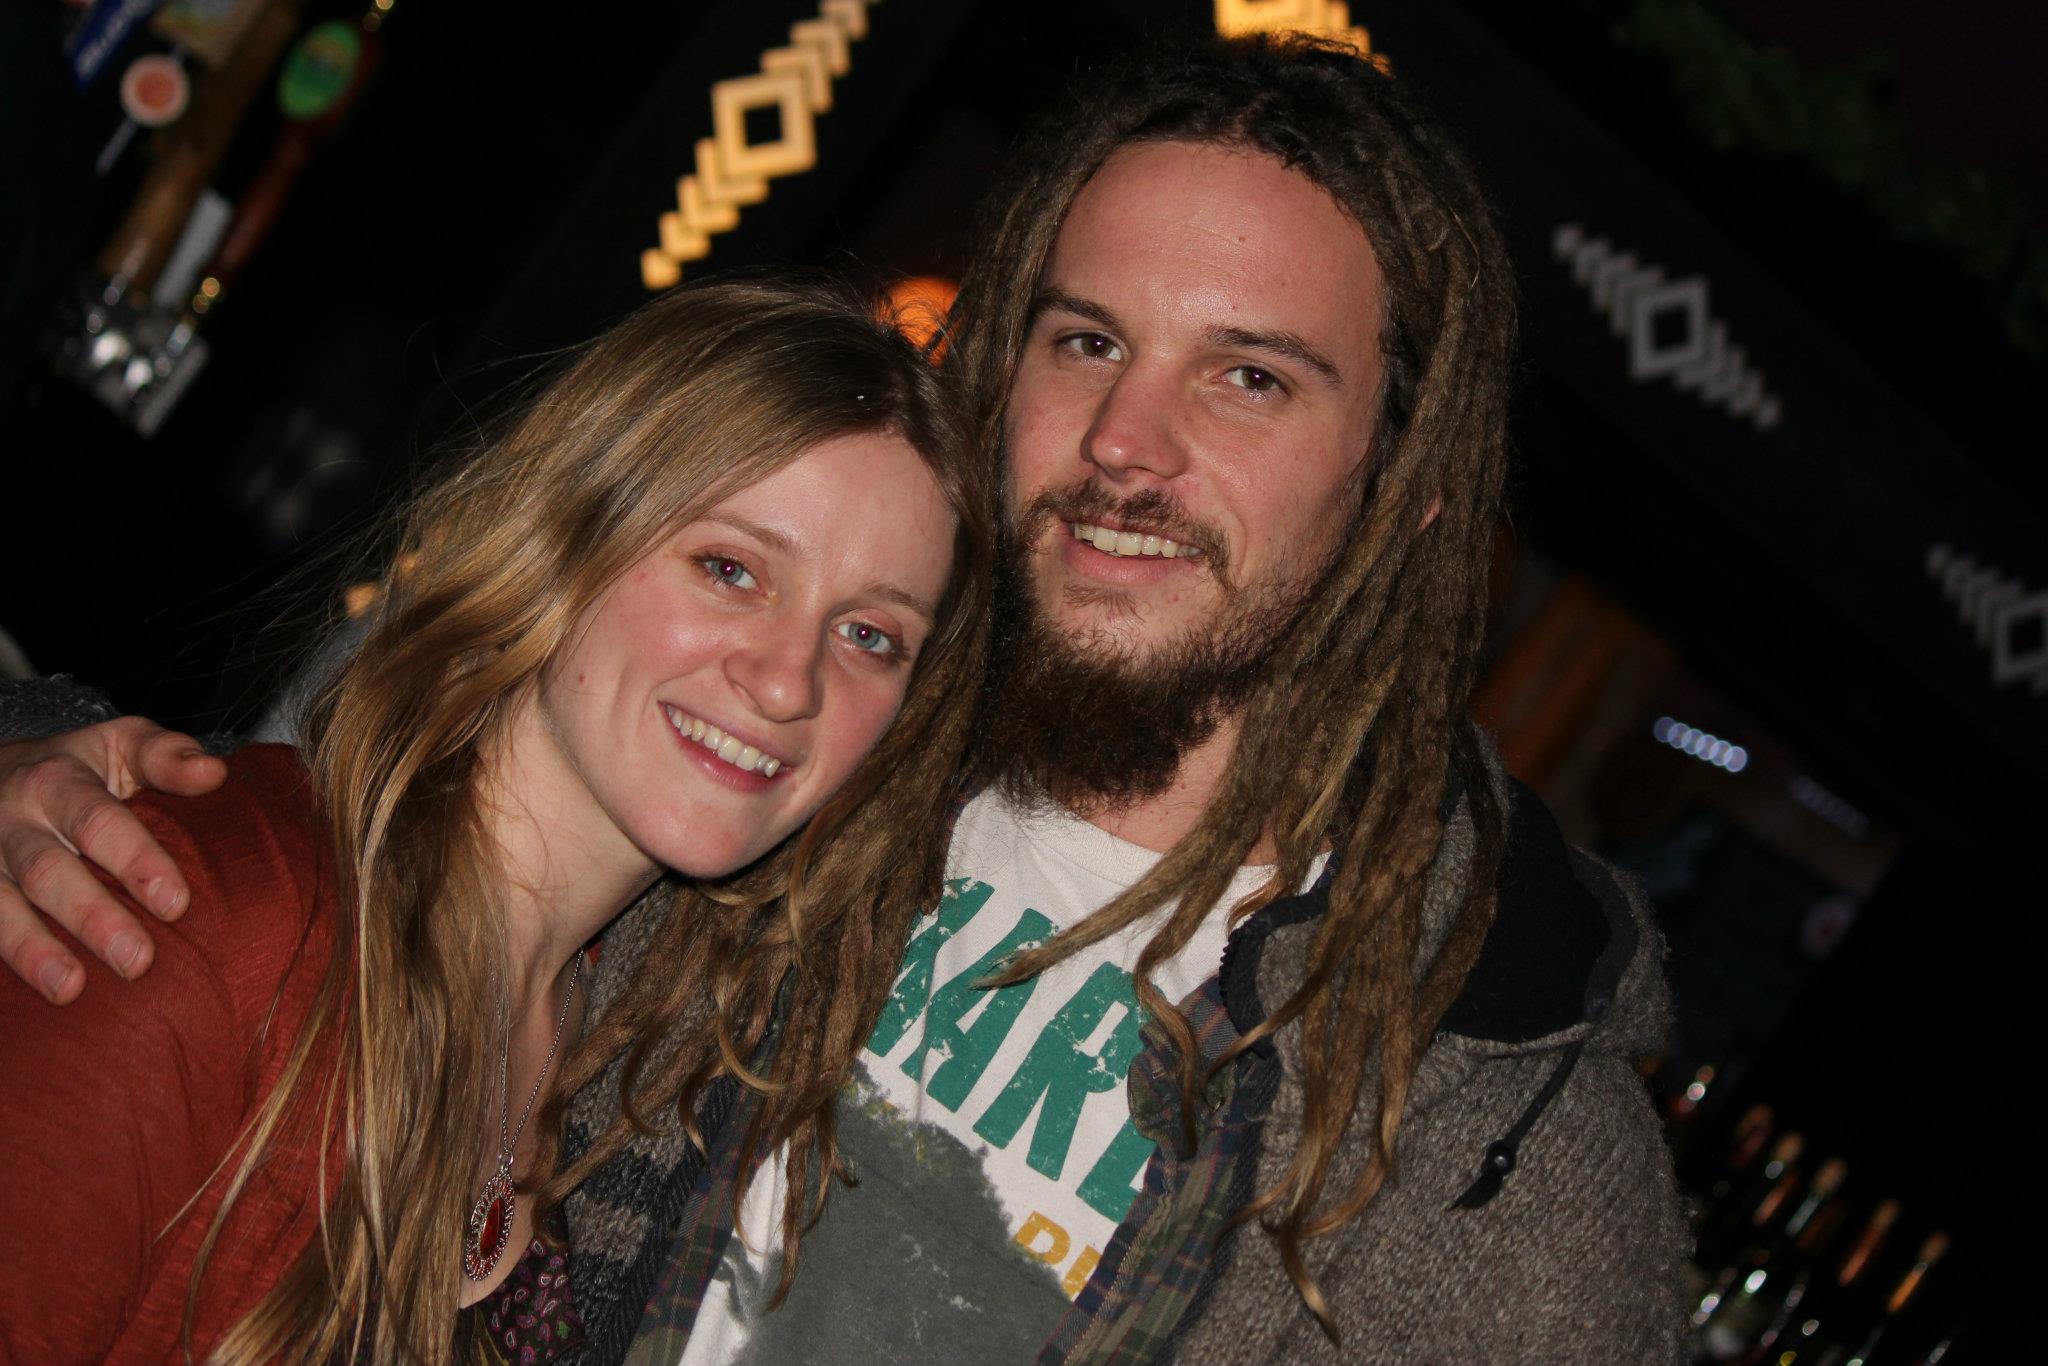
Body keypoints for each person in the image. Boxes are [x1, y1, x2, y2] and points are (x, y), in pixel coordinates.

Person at [0, 34, 1689, 1365]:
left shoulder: (1505, 1146)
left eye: (1247, 375)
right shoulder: (800, 752)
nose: (1127, 441)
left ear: (1406, 489)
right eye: (1086, 340)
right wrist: (38, 764)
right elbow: (323, 864)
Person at [0, 276, 993, 1366]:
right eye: (730, 569)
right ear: (568, 531)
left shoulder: (623, 1060)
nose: (788, 679)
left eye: (869, 636)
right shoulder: (202, 914)